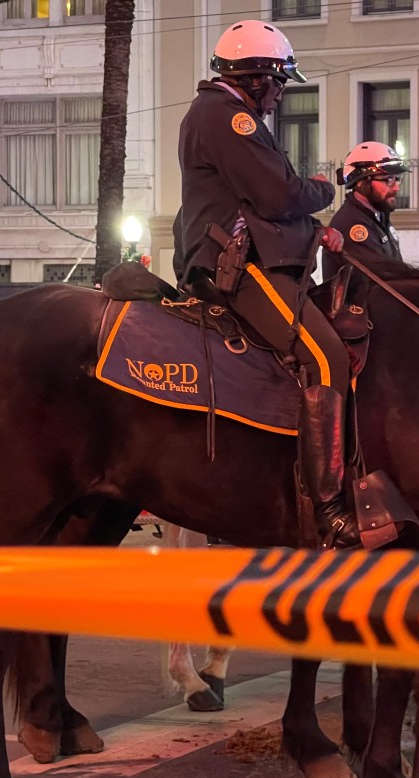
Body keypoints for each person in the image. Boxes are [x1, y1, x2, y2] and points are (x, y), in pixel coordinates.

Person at [171, 20, 359, 549]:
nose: (279, 96)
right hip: (239, 266)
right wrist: (323, 190)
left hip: (242, 253)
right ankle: (330, 508)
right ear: (256, 79)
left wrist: (314, 232)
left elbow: (256, 204)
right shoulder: (229, 118)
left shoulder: (220, 115)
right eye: (278, 85)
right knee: (327, 358)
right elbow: (277, 196)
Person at [328, 142, 408, 266]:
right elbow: (381, 281)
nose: (396, 188)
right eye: (388, 180)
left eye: (397, 179)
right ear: (361, 182)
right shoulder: (353, 223)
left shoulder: (378, 215)